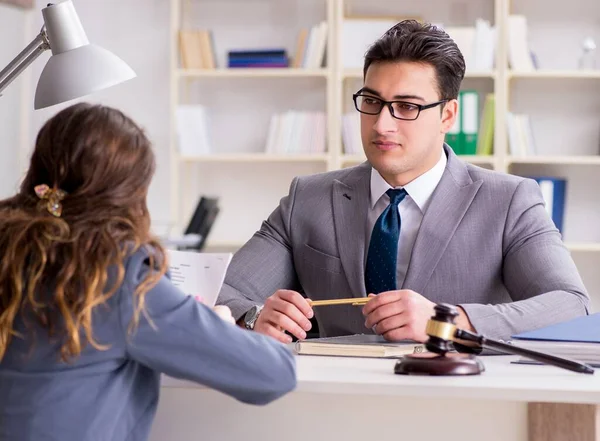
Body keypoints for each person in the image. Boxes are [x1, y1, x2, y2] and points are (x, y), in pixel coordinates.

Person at [217, 20, 589, 344]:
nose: (382, 124)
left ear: (448, 115)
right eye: (372, 101)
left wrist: (448, 321)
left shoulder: (509, 201)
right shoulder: (309, 198)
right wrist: (252, 318)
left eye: (407, 107)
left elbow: (570, 304)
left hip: (459, 404)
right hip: (330, 403)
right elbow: (222, 291)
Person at [0, 103, 296, 441]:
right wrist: (219, 326)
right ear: (127, 197)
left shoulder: (11, 250)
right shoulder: (117, 276)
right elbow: (274, 374)